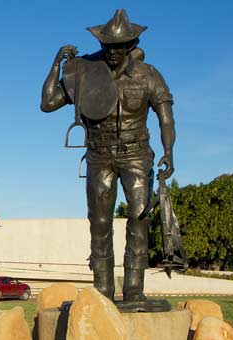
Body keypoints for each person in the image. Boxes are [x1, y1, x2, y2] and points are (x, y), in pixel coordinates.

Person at [40, 9, 176, 305]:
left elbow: (166, 117)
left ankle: (133, 291)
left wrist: (169, 152)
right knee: (99, 223)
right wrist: (56, 64)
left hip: (137, 155)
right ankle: (102, 291)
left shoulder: (149, 75)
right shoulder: (85, 73)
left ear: (130, 45)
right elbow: (47, 103)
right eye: (107, 46)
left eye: (118, 46)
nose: (112, 52)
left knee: (138, 221)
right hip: (99, 156)